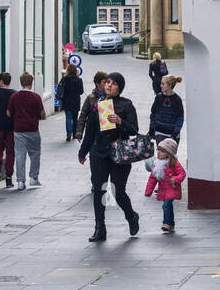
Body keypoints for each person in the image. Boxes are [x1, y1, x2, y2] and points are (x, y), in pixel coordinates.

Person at [77, 70, 140, 241]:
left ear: (119, 88)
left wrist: (120, 121)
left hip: (119, 154)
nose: (109, 85)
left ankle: (131, 216)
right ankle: (100, 228)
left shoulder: (126, 105)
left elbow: (134, 129)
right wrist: (83, 152)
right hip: (99, 153)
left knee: (119, 192)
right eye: (107, 82)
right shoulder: (99, 103)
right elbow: (90, 130)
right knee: (99, 190)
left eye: (113, 83)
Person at [8, 71, 46, 189]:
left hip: (19, 129)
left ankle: (20, 181)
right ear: (31, 82)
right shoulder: (36, 97)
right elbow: (43, 114)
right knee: (35, 153)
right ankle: (34, 178)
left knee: (20, 155)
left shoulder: (14, 96)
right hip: (32, 129)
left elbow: (8, 113)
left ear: (21, 83)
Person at [145, 138, 186, 233]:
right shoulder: (157, 164)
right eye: (158, 150)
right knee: (167, 206)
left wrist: (175, 180)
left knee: (166, 205)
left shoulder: (173, 162)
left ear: (169, 153)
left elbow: (182, 173)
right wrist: (148, 191)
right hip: (163, 189)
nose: (159, 153)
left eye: (162, 151)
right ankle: (171, 224)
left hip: (172, 188)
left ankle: (166, 223)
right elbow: (152, 178)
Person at [149, 74, 185, 145]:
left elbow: (180, 117)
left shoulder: (177, 100)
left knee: (171, 156)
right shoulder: (158, 97)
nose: (160, 85)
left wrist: (175, 133)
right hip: (160, 132)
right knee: (161, 155)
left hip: (173, 134)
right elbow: (153, 113)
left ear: (169, 85)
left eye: (163, 84)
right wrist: (151, 128)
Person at [76, 70, 106, 140]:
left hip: (106, 133)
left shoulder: (109, 96)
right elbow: (83, 115)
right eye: (104, 82)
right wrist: (79, 133)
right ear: (97, 84)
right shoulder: (91, 97)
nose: (107, 84)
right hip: (92, 131)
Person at [58, 63, 84, 142]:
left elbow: (60, 89)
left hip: (67, 101)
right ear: (76, 70)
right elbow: (81, 91)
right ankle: (74, 134)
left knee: (68, 118)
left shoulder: (64, 79)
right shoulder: (79, 80)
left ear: (68, 70)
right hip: (75, 101)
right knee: (75, 118)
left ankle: (68, 134)